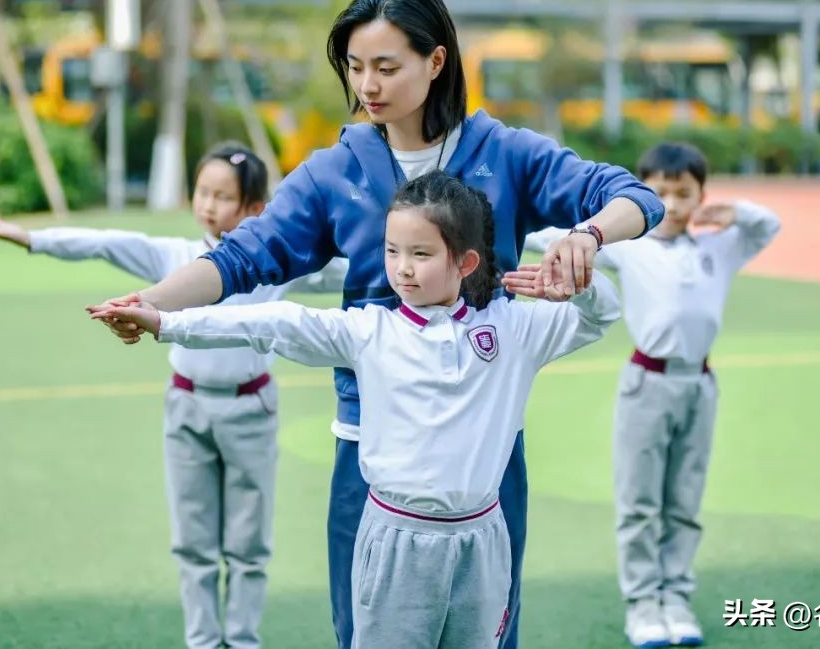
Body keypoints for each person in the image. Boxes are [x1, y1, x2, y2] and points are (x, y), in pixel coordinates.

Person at [89, 0, 664, 649]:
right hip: (371, 452)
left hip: (482, 454)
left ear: (437, 62)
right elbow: (243, 257)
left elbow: (633, 196)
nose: (368, 84)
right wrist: (152, 303)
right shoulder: (337, 170)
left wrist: (587, 235)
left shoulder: (504, 153)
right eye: (355, 67)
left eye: (387, 67)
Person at [92, 172, 621, 649]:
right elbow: (273, 323)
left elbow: (601, 318)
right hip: (395, 538)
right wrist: (165, 321)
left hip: (483, 538)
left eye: (421, 253)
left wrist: (582, 285)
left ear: (465, 262)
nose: (403, 269)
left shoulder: (515, 329)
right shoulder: (370, 330)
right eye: (392, 252)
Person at [0, 143, 346, 649]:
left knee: (247, 545)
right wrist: (32, 238)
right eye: (203, 192)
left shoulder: (276, 265)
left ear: (256, 208)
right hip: (186, 408)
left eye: (223, 196)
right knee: (193, 544)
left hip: (251, 411)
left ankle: (242, 641)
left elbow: (357, 270)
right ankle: (203, 642)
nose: (209, 205)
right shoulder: (175, 258)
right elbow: (105, 243)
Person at [517, 142, 780, 647]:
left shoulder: (716, 248)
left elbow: (767, 227)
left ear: (702, 195)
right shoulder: (630, 246)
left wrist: (734, 212)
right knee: (640, 501)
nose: (675, 204)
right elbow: (546, 236)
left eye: (685, 193)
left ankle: (675, 598)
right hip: (647, 383)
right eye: (662, 193)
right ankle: (643, 604)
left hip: (699, 384)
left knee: (684, 498)